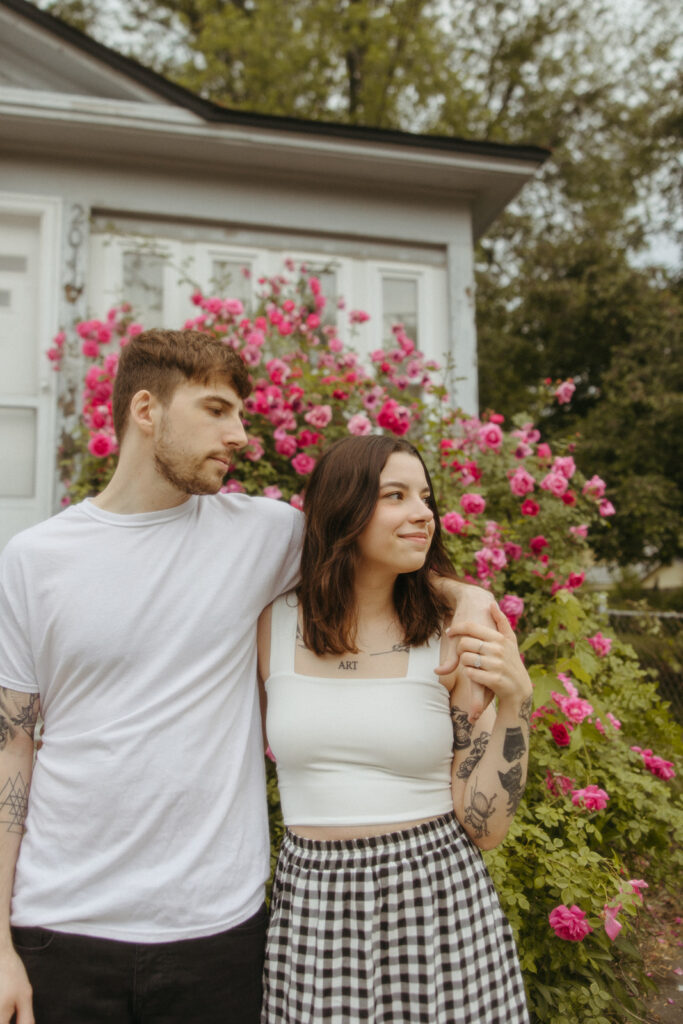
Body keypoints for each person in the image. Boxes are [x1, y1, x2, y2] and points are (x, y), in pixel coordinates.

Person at [0, 329, 493, 1024]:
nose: (239, 435)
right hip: (60, 925)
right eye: (216, 410)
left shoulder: (266, 535)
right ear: (146, 410)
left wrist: (465, 595)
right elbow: (9, 749)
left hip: (218, 932)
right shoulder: (33, 559)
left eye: (242, 414)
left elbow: (368, 550)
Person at [258, 434, 532, 1023]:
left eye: (426, 497)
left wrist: (516, 704)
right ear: (344, 509)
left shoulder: (451, 635)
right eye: (396, 495)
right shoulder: (272, 625)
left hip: (433, 896)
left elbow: (484, 826)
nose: (423, 513)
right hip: (313, 899)